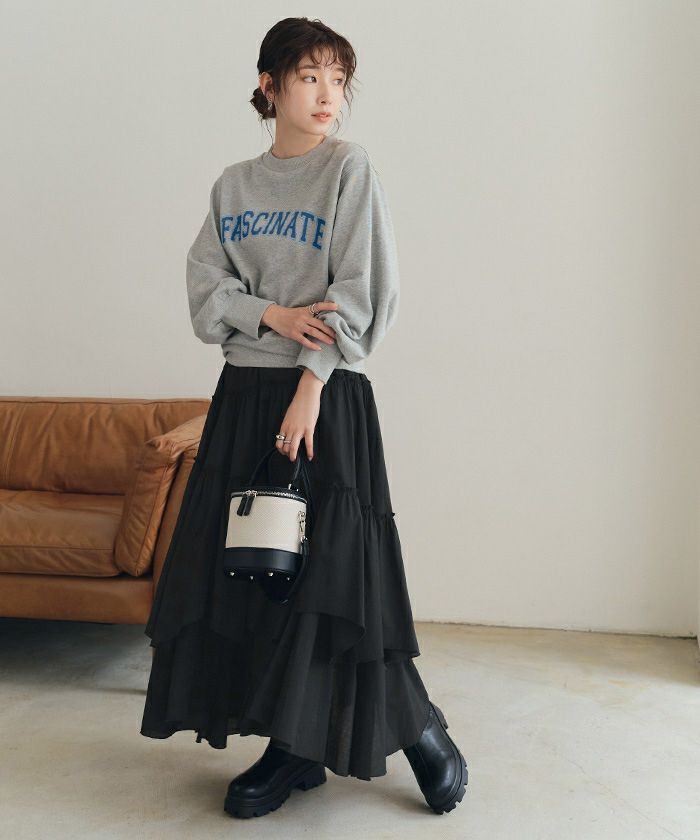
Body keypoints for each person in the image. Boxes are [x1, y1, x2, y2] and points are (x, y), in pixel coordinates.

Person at [139, 15, 468, 819]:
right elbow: (205, 293)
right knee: (258, 578)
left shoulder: (348, 169)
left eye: (338, 79)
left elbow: (363, 291)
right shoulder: (234, 186)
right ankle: (294, 747)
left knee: (334, 577)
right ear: (270, 84)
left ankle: (417, 728)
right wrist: (270, 315)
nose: (329, 95)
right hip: (244, 394)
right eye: (311, 76)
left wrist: (311, 381)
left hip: (324, 396)